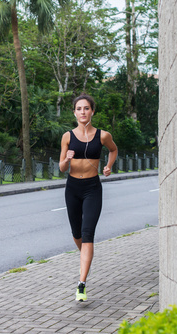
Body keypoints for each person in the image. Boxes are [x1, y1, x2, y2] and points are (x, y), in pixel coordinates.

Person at [59, 93, 118, 302]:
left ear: (92, 111)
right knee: (77, 234)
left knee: (88, 233)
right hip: (73, 187)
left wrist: (109, 166)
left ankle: (81, 283)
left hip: (92, 188)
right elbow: (61, 168)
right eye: (79, 109)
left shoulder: (103, 135)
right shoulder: (67, 136)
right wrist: (67, 159)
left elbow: (113, 149)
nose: (82, 112)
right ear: (74, 112)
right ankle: (86, 255)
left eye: (86, 108)